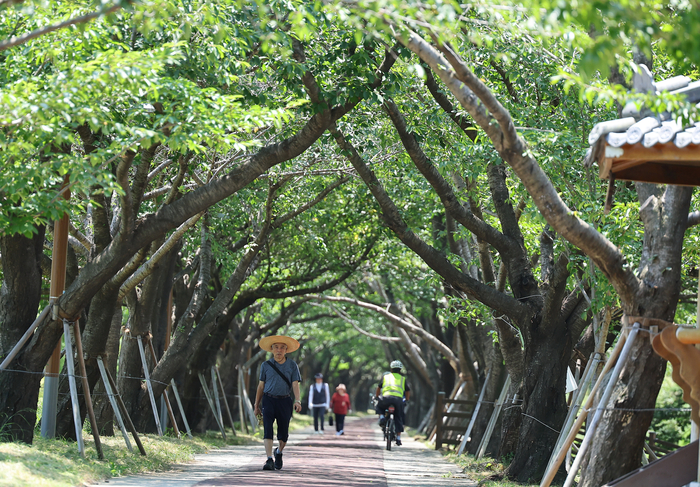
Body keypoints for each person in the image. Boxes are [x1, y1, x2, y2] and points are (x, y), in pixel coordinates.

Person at [254, 335, 302, 471]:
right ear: (272, 350)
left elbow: (295, 384)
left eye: (282, 348)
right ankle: (269, 459)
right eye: (276, 347)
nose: (279, 350)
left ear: (286, 350)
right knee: (267, 429)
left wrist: (297, 400)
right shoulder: (266, 365)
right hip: (268, 400)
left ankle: (279, 452)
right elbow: (261, 386)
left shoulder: (292, 365)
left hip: (285, 401)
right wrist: (256, 405)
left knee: (284, 433)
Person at [375, 360, 410, 446]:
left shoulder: (385, 377)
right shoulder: (403, 379)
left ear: (391, 369)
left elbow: (379, 387)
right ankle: (398, 438)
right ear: (400, 370)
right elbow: (408, 390)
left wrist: (377, 396)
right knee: (399, 417)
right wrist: (407, 400)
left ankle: (382, 417)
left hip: (386, 398)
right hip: (398, 400)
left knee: (379, 406)